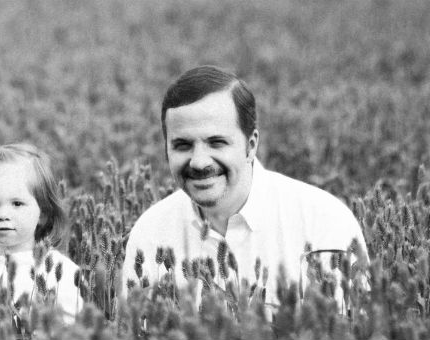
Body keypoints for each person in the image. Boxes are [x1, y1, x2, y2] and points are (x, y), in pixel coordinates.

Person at [121, 66, 368, 311]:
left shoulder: (323, 222)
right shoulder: (151, 232)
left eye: (216, 142)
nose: (199, 162)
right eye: (182, 145)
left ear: (251, 145)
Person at [0, 143, 83, 323]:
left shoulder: (60, 271)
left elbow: (75, 328)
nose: (3, 215)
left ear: (44, 213)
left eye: (17, 204)